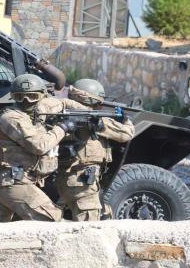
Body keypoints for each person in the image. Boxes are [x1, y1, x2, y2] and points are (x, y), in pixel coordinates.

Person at [0, 74, 74, 222]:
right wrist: (63, 128)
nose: (26, 101)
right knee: (53, 220)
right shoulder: (11, 118)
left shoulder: (38, 112)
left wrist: (88, 111)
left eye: (32, 96)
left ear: (42, 95)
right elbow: (39, 145)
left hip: (6, 183)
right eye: (19, 97)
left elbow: (63, 103)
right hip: (13, 183)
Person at [52, 78, 135, 221]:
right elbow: (126, 134)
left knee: (100, 213)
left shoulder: (62, 116)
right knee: (89, 223)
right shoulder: (92, 119)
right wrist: (127, 120)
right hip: (82, 180)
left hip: (67, 178)